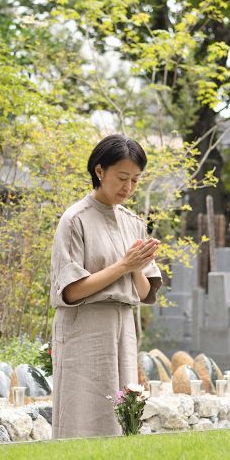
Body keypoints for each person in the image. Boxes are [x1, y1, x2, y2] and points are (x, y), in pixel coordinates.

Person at [50, 134, 162, 439]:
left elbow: (141, 292)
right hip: (85, 327)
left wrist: (136, 268)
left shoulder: (134, 223)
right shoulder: (74, 220)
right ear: (100, 172)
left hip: (124, 326)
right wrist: (123, 266)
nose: (128, 188)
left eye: (136, 180)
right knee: (81, 413)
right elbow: (70, 291)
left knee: (122, 415)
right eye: (122, 177)